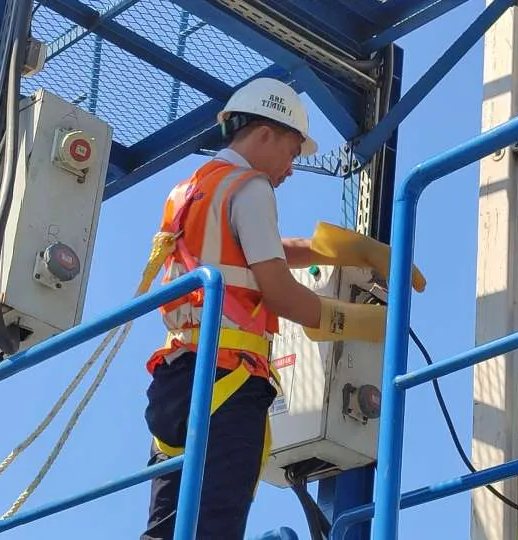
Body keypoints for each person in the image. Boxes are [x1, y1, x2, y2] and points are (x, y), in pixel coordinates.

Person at [139, 77, 427, 539]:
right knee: (215, 525)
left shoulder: (192, 189)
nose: (291, 169)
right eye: (293, 152)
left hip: (176, 379)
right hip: (228, 381)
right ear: (266, 133)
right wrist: (358, 321)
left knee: (168, 525)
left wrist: (342, 250)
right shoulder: (251, 188)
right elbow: (276, 290)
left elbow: (255, 251)